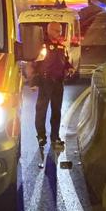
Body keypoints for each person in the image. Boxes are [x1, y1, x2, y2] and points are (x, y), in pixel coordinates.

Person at [33, 22, 74, 151]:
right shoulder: (42, 46)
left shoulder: (62, 47)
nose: (59, 33)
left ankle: (55, 136)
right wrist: (33, 82)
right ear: (50, 30)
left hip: (58, 82)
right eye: (57, 31)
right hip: (46, 81)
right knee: (41, 110)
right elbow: (35, 64)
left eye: (60, 31)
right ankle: (41, 135)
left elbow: (65, 61)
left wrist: (69, 68)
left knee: (56, 110)